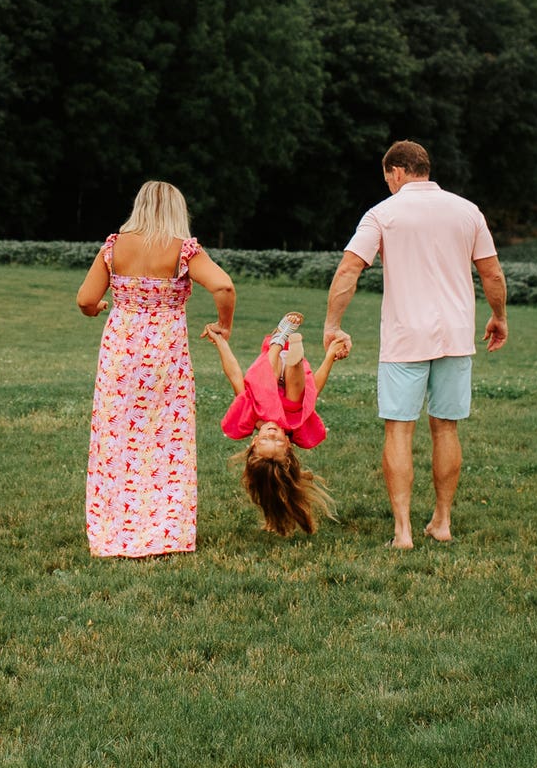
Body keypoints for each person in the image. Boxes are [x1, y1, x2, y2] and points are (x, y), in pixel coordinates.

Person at [322, 141, 508, 548]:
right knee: (446, 428)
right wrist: (499, 316)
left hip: (404, 337)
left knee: (399, 430)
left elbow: (349, 269)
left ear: (397, 172)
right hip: (456, 336)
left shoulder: (382, 214)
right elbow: (492, 274)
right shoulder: (467, 211)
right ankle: (442, 521)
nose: (388, 185)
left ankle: (403, 531)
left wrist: (332, 324)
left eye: (387, 178)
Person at [74, 179, 236, 559]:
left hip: (120, 355)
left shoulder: (114, 247)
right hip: (165, 355)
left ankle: (114, 528)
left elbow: (85, 299)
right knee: (168, 439)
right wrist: (224, 325)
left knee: (116, 439)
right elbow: (224, 287)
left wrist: (98, 309)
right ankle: (166, 531)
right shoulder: (183, 250)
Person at [202, 311, 348, 534]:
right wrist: (330, 357)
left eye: (265, 441)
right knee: (296, 405)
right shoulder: (296, 426)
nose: (271, 434)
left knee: (263, 400)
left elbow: (234, 374)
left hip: (272, 361)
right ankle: (294, 356)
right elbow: (315, 390)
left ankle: (279, 339)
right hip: (295, 376)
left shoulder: (249, 417)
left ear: (253, 442)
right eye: (278, 442)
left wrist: (221, 342)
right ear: (288, 446)